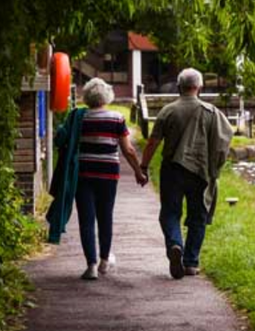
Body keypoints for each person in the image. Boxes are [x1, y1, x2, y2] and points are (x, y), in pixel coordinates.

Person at [139, 68, 233, 279]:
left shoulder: (168, 111)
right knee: (198, 216)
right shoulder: (212, 113)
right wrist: (215, 169)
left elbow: (153, 142)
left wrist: (142, 167)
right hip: (200, 171)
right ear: (199, 87)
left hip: (172, 169)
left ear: (179, 87)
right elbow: (223, 144)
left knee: (170, 212)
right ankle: (191, 263)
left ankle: (175, 244)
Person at [76, 78, 147, 280]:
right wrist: (138, 172)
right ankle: (105, 261)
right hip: (108, 175)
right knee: (105, 216)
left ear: (87, 96)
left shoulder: (79, 118)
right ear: (107, 96)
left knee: (86, 219)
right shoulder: (116, 118)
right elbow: (128, 150)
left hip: (83, 174)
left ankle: (90, 265)